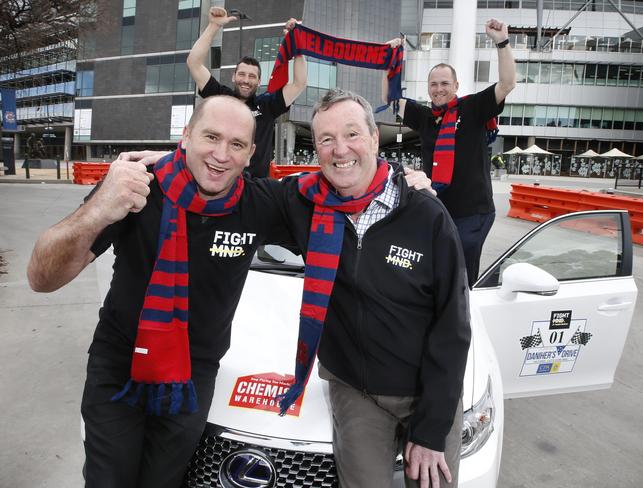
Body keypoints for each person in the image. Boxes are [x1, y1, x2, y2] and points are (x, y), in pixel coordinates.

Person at [26, 96, 295, 488]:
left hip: (193, 375)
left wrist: (410, 188)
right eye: (211, 137)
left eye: (236, 144)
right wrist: (102, 205)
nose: (221, 154)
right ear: (185, 136)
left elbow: (340, 205)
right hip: (119, 365)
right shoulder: (138, 184)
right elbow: (40, 277)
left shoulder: (261, 203)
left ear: (251, 153)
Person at [276, 89, 471, 488]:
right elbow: (231, 192)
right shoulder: (305, 203)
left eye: (351, 134)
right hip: (357, 389)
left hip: (425, 390)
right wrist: (181, 161)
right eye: (326, 139)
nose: (340, 149)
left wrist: (431, 430)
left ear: (373, 139)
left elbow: (454, 326)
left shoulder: (426, 214)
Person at [382, 18, 516, 285]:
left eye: (445, 83)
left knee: (462, 274)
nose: (439, 89)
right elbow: (390, 100)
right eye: (434, 84)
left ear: (456, 86)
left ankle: (464, 320)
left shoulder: (474, 107)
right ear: (428, 88)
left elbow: (507, 83)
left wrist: (502, 42)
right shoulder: (425, 117)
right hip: (438, 207)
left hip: (473, 212)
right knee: (436, 268)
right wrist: (388, 62)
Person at [187, 7, 307, 178]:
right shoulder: (220, 97)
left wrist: (297, 44)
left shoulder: (267, 105)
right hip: (218, 182)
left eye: (252, 76)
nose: (246, 80)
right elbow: (194, 63)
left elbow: (299, 83)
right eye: (242, 74)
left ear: (259, 82)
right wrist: (213, 26)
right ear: (233, 76)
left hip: (254, 189)